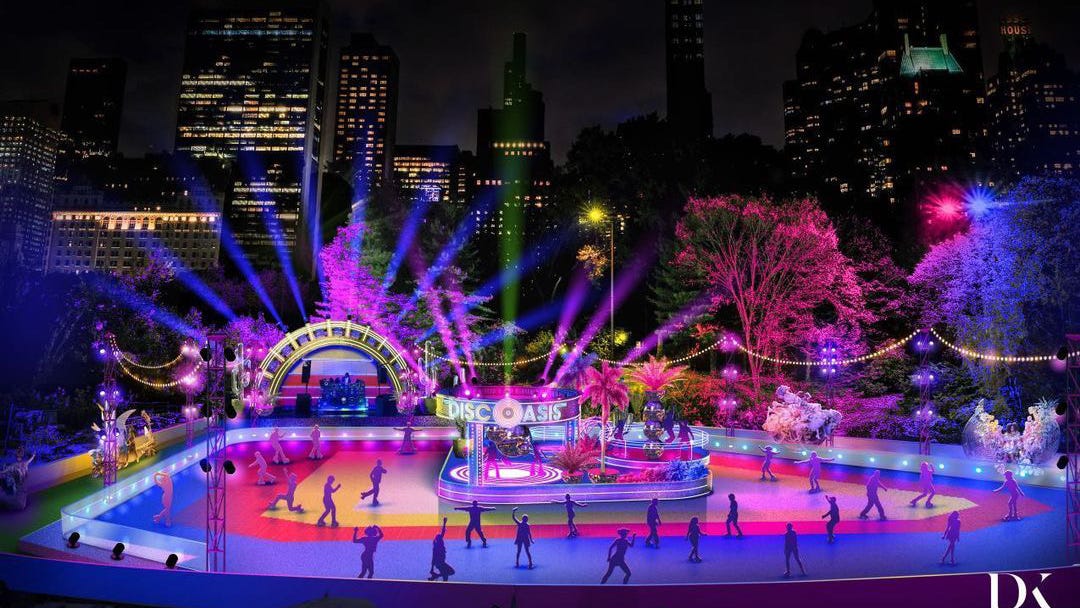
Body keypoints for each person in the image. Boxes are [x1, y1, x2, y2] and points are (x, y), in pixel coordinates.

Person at [428, 517, 455, 581]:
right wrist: (432, 568)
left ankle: (436, 576)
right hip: (440, 563)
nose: (441, 538)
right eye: (440, 538)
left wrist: (444, 523)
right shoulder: (437, 547)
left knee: (445, 576)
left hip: (440, 563)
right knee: (451, 572)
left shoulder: (437, 545)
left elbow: (443, 532)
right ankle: (436, 576)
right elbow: (433, 557)